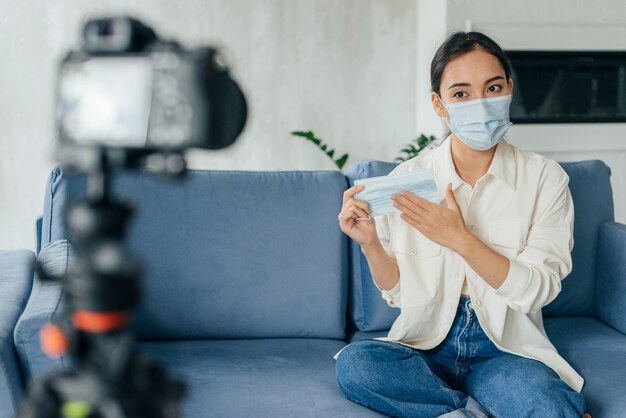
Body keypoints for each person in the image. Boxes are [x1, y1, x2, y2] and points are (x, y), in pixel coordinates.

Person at [335, 31, 591, 418]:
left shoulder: (545, 178)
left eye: (492, 87)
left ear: (509, 89)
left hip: (504, 349)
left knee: (548, 405)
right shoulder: (409, 179)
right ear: (439, 105)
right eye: (461, 94)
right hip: (425, 345)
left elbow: (538, 291)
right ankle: (465, 410)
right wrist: (370, 243)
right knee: (356, 364)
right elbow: (399, 293)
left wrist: (460, 240)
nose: (481, 103)